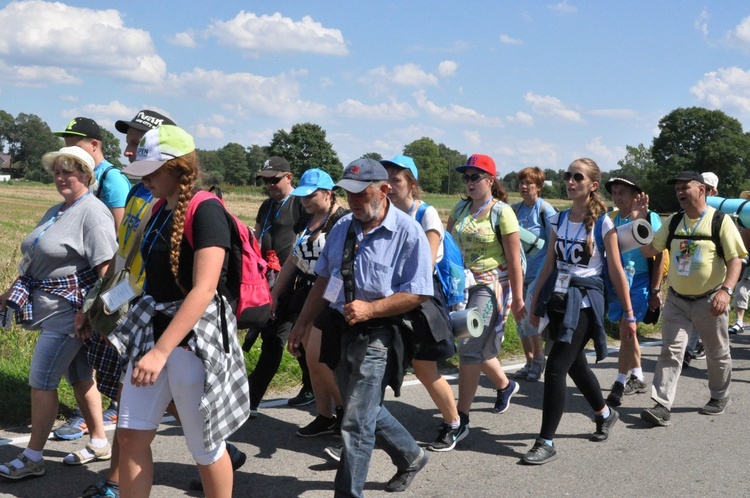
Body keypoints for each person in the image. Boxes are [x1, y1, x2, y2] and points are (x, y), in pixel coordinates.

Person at [111, 125, 250, 497]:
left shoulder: (206, 210)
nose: (146, 180)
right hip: (152, 334)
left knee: (204, 447)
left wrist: (161, 352)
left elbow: (204, 289)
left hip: (193, 344)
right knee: (130, 435)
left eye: (152, 172)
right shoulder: (159, 207)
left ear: (178, 168)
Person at [289, 158, 433, 496]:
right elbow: (324, 280)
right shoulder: (341, 229)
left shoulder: (408, 231)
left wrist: (372, 309)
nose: (353, 201)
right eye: (348, 194)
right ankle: (411, 455)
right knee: (361, 407)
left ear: (383, 191)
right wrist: (302, 323)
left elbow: (419, 292)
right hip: (341, 330)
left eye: (361, 193)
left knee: (354, 422)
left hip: (380, 333)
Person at [0, 146, 117, 480]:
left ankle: (33, 456)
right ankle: (98, 441)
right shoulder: (59, 209)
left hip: (68, 315)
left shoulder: (92, 213)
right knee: (80, 376)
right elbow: (34, 259)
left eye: (69, 171)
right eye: (57, 172)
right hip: (51, 309)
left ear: (85, 174)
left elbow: (106, 270)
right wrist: (12, 291)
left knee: (41, 380)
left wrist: (86, 311)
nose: (62, 177)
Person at [521, 158, 637, 465]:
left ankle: (545, 441)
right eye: (568, 175)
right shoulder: (558, 219)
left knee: (556, 366)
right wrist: (534, 305)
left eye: (578, 177)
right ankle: (604, 412)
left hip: (585, 303)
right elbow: (549, 264)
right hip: (558, 300)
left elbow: (616, 272)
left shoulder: (604, 224)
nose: (570, 181)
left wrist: (629, 315)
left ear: (592, 185)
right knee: (575, 365)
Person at [638, 171, 745, 427]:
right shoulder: (674, 222)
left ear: (703, 190)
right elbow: (649, 249)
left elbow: (735, 260)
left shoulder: (720, 221)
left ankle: (719, 396)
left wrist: (726, 290)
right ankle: (661, 405)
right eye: (677, 189)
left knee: (716, 353)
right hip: (676, 300)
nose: (680, 192)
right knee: (671, 351)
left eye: (685, 187)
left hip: (711, 300)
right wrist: (639, 221)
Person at [382, 155, 462, 452]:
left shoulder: (425, 215)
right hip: (391, 295)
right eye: (385, 180)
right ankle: (358, 432)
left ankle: (454, 423)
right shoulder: (384, 212)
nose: (388, 186)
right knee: (377, 362)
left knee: (424, 366)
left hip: (422, 298)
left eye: (396, 180)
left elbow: (424, 265)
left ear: (412, 185)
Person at [446, 153, 525, 441]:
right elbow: (448, 245)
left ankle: (460, 417)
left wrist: (518, 299)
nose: (469, 182)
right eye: (466, 177)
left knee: (468, 347)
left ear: (490, 180)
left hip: (491, 285)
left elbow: (515, 259)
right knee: (473, 346)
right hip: (463, 285)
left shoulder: (502, 212)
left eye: (475, 176)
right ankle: (505, 385)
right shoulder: (461, 208)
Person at [271, 168, 347, 437]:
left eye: (310, 195)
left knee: (318, 359)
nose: (304, 200)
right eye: (301, 195)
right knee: (309, 359)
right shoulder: (305, 219)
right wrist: (275, 293)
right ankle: (325, 416)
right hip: (304, 292)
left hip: (329, 295)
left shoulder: (342, 220)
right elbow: (293, 259)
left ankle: (346, 416)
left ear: (328, 194)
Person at [244, 157, 310, 415]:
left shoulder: (299, 205)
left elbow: (305, 244)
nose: (270, 185)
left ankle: (250, 400)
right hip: (266, 282)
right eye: (265, 180)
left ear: (289, 177)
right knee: (298, 340)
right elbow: (259, 237)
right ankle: (314, 384)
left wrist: (288, 281)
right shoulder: (266, 206)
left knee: (274, 339)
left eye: (275, 179)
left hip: (291, 283)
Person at [603, 175, 665, 407]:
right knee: (628, 330)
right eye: (614, 193)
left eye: (622, 193)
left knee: (626, 329)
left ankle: (619, 381)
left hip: (640, 281)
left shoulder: (651, 218)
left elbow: (660, 254)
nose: (617, 197)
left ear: (635, 195)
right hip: (618, 281)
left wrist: (656, 288)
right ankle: (638, 375)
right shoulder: (611, 219)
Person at [512, 167, 557, 382]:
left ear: (538, 187)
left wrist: (545, 275)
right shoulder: (514, 210)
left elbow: (553, 246)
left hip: (539, 271)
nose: (524, 187)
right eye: (521, 183)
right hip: (519, 272)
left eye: (529, 183)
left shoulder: (545, 211)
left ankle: (539, 358)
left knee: (530, 315)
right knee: (519, 318)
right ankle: (528, 359)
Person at [54, 117, 132, 230]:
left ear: (94, 145)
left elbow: (120, 228)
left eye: (76, 148)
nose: (70, 153)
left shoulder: (111, 177)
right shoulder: (78, 174)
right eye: (68, 147)